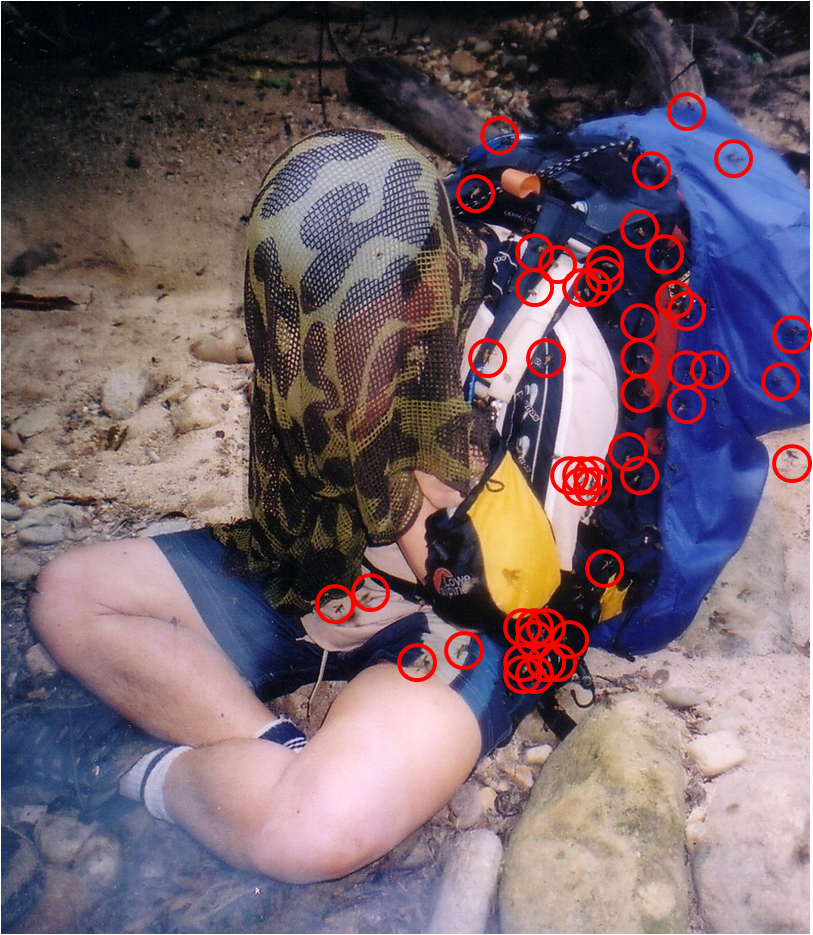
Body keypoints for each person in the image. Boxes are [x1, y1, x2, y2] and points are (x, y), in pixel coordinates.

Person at [8, 129, 574, 884]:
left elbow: (519, 599)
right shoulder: (327, 319)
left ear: (420, 288)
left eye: (350, 319)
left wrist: (412, 504)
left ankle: (135, 772)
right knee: (72, 595)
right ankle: (279, 753)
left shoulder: (541, 365)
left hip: (459, 622)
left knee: (309, 836)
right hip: (325, 557)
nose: (315, 343)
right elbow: (308, 482)